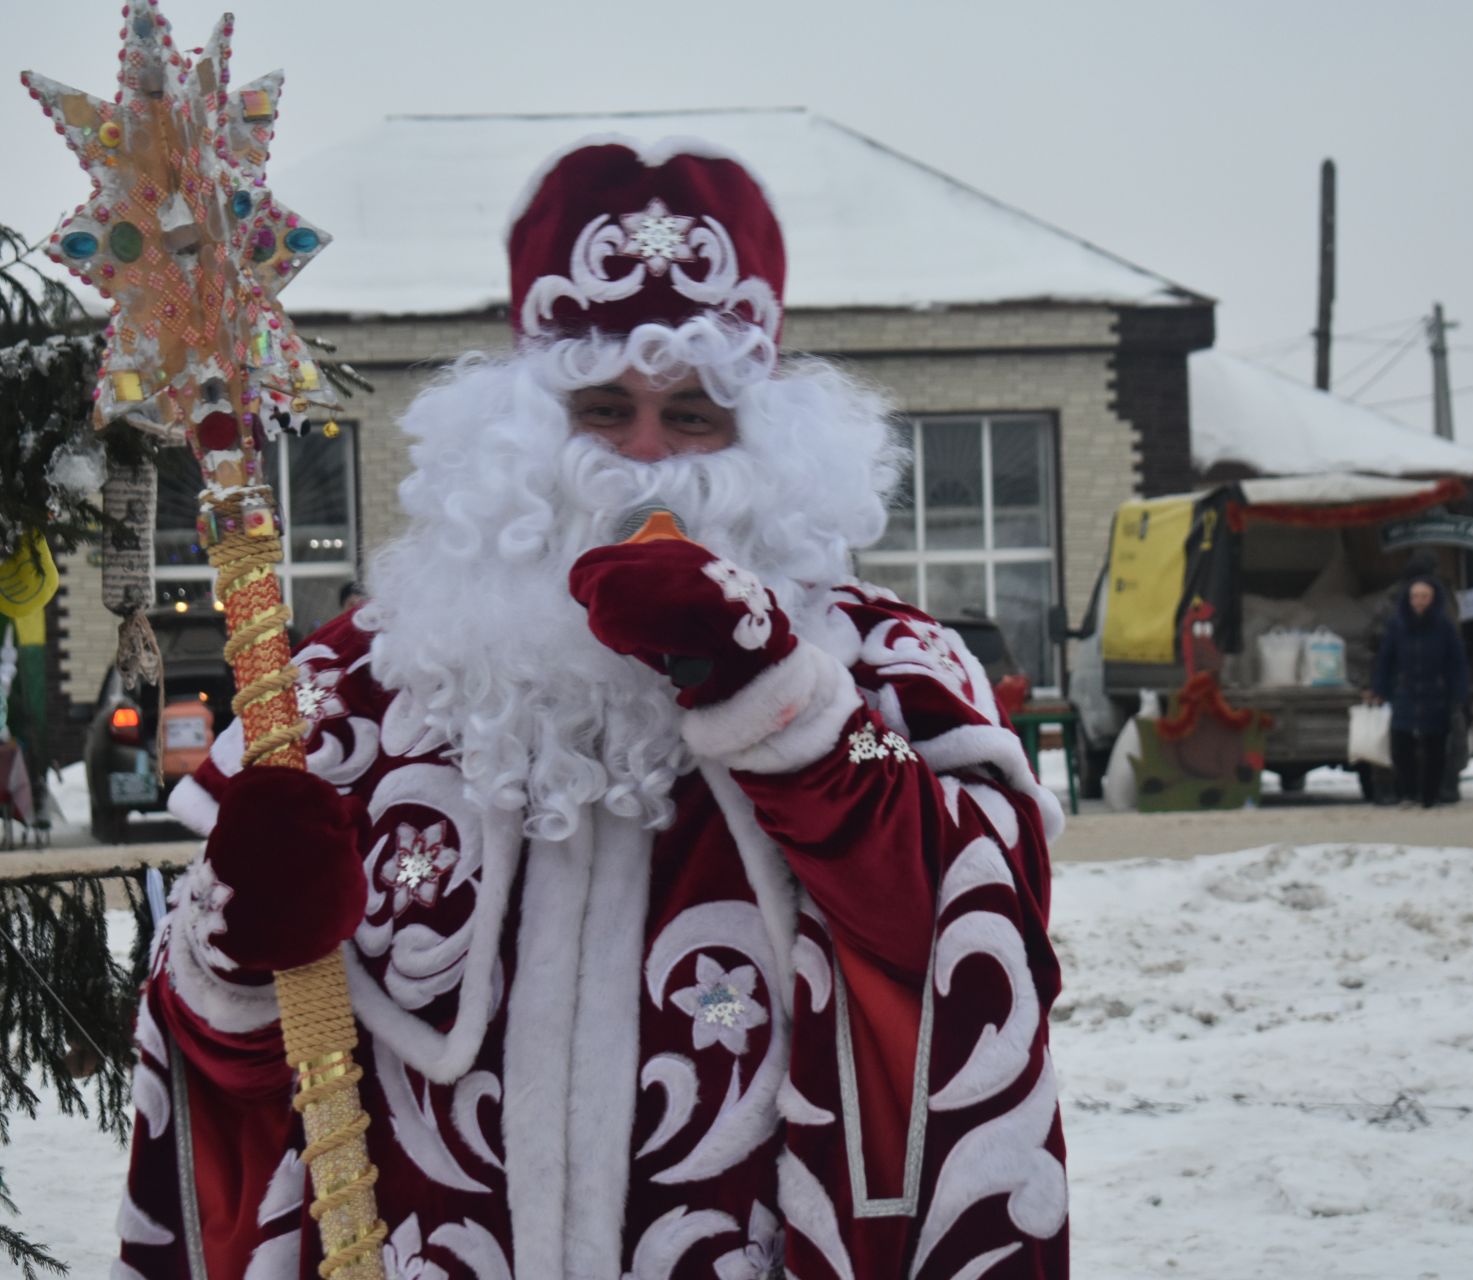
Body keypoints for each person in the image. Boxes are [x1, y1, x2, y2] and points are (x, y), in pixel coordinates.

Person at [117, 140, 1070, 1278]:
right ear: (523, 437)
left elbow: (968, 937)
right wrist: (233, 950)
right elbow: (225, 1072)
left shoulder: (884, 668)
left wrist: (775, 693)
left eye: (697, 415)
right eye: (605, 408)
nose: (649, 460)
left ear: (767, 439)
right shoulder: (357, 691)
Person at [1369, 575, 1470, 808]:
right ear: (1408, 598)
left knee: (1436, 746)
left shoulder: (1444, 626)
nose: (1420, 601)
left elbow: (1457, 661)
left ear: (1433, 599)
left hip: (1435, 692)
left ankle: (1430, 796)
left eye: (1425, 596)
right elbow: (1385, 659)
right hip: (1405, 690)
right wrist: (1380, 688)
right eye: (1416, 596)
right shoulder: (1397, 625)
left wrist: (1458, 691)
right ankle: (1407, 793)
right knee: (1401, 746)